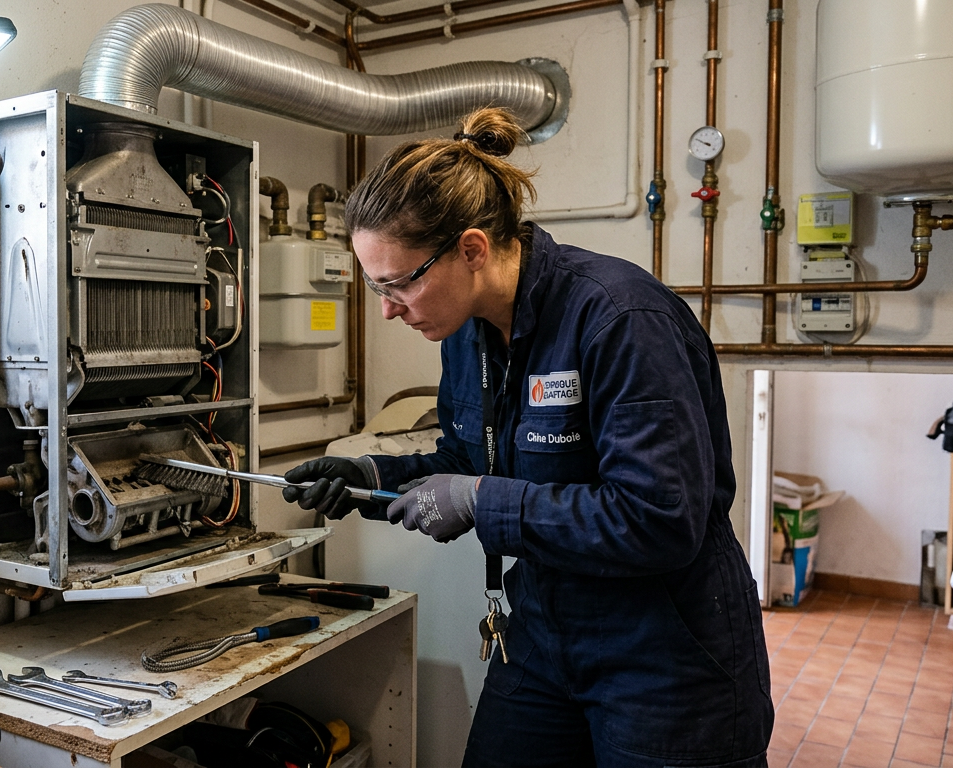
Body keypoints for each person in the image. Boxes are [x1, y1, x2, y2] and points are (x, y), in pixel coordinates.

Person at [281, 107, 774, 767]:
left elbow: (659, 518)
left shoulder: (619, 318)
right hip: (545, 626)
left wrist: (484, 503)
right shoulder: (466, 333)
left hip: (666, 648)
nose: (387, 309)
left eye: (399, 284)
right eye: (377, 286)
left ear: (473, 250)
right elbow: (469, 458)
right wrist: (373, 475)